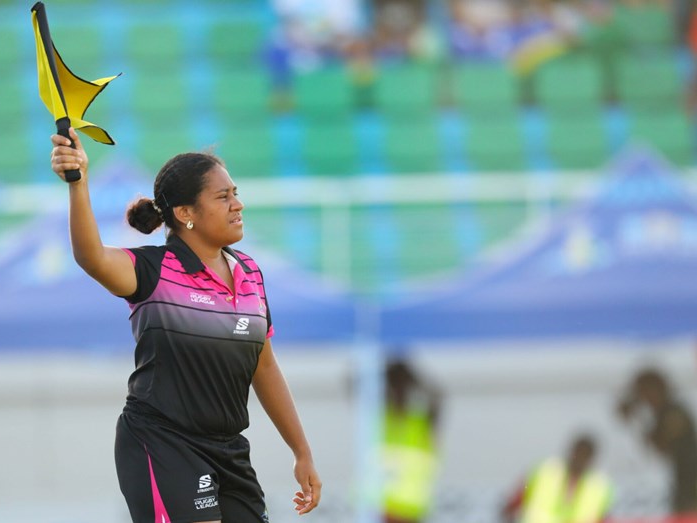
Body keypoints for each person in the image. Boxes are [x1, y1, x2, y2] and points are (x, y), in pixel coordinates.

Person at [49, 128, 322, 522]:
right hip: (162, 442)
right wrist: (79, 184)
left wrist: (302, 451)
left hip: (228, 449)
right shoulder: (153, 271)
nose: (238, 204)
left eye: (236, 193)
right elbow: (91, 257)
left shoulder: (249, 272)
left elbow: (264, 366)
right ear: (185, 213)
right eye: (223, 197)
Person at [617, 367, 697, 517]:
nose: (643, 398)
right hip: (684, 489)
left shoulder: (674, 413)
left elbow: (662, 445)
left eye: (642, 392)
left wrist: (638, 416)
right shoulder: (664, 413)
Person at [380, 356, 442, 523]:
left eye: (403, 386)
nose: (399, 391)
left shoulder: (420, 422)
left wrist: (414, 379)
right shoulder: (378, 421)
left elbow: (437, 397)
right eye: (395, 386)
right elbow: (354, 386)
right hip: (381, 510)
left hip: (411, 512)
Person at [500, 434, 612, 523]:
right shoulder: (543, 473)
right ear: (571, 452)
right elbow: (509, 509)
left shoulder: (599, 487)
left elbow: (602, 518)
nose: (580, 459)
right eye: (578, 453)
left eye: (585, 455)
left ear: (592, 459)